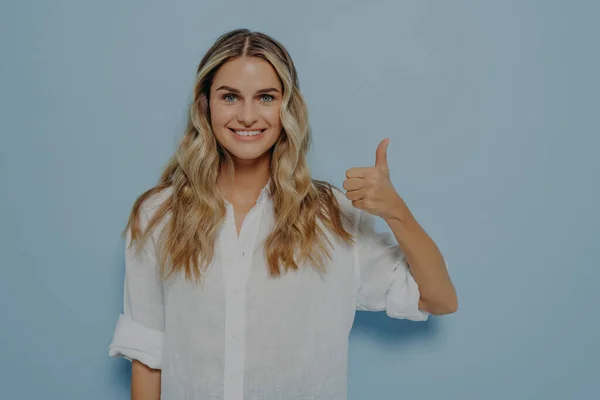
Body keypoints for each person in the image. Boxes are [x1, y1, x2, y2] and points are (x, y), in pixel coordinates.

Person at [108, 28, 457, 400]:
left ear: (287, 107)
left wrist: (396, 212)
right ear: (205, 105)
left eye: (265, 97)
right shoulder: (158, 215)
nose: (247, 116)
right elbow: (147, 355)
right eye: (230, 97)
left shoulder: (333, 216)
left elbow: (438, 299)